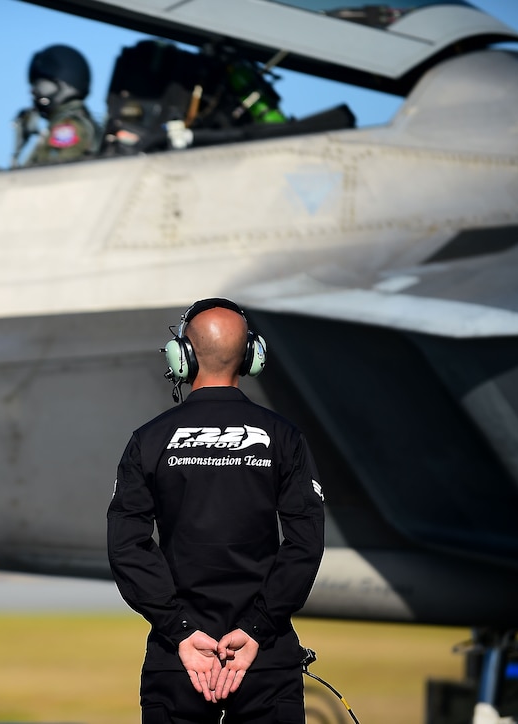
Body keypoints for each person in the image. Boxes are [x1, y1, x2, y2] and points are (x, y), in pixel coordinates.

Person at [107, 297, 325, 724]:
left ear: (182, 357)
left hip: (179, 660)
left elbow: (126, 547)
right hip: (265, 660)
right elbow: (305, 543)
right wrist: (258, 628)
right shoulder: (285, 438)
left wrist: (181, 631)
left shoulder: (148, 441)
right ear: (251, 356)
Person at [14, 44, 101, 167]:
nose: (33, 92)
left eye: (40, 85)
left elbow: (54, 176)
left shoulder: (68, 125)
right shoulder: (68, 121)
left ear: (62, 86)